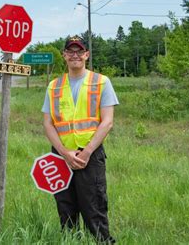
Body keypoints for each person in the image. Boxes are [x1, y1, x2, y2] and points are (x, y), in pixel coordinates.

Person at [42, 35, 119, 244]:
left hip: (90, 156)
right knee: (65, 209)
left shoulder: (101, 82)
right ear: (64, 56)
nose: (75, 55)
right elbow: (48, 123)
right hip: (60, 157)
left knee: (94, 209)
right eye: (70, 51)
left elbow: (107, 121)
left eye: (79, 51)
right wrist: (64, 153)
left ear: (86, 54)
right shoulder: (54, 86)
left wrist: (86, 152)